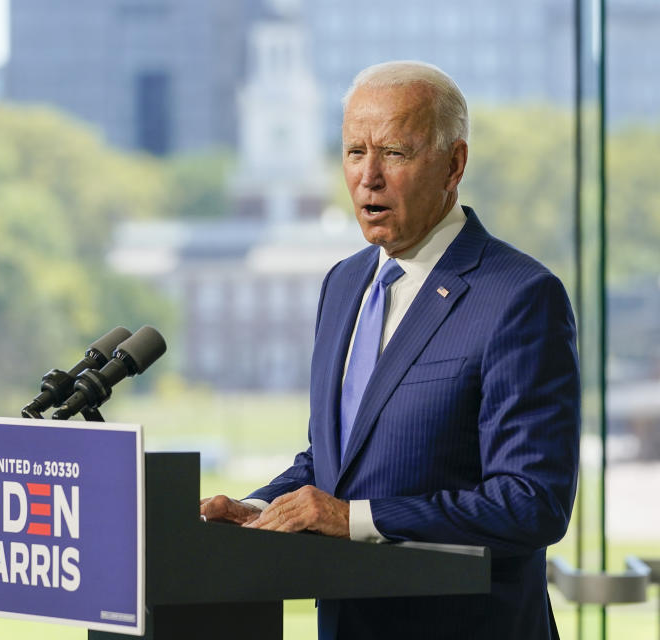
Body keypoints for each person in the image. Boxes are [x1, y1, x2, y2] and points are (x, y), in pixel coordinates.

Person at [200, 60, 580, 640]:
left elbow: (531, 503)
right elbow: (334, 462)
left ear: (454, 164)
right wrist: (259, 509)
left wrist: (352, 519)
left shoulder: (520, 297)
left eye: (395, 153)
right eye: (355, 152)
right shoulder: (343, 284)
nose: (368, 177)